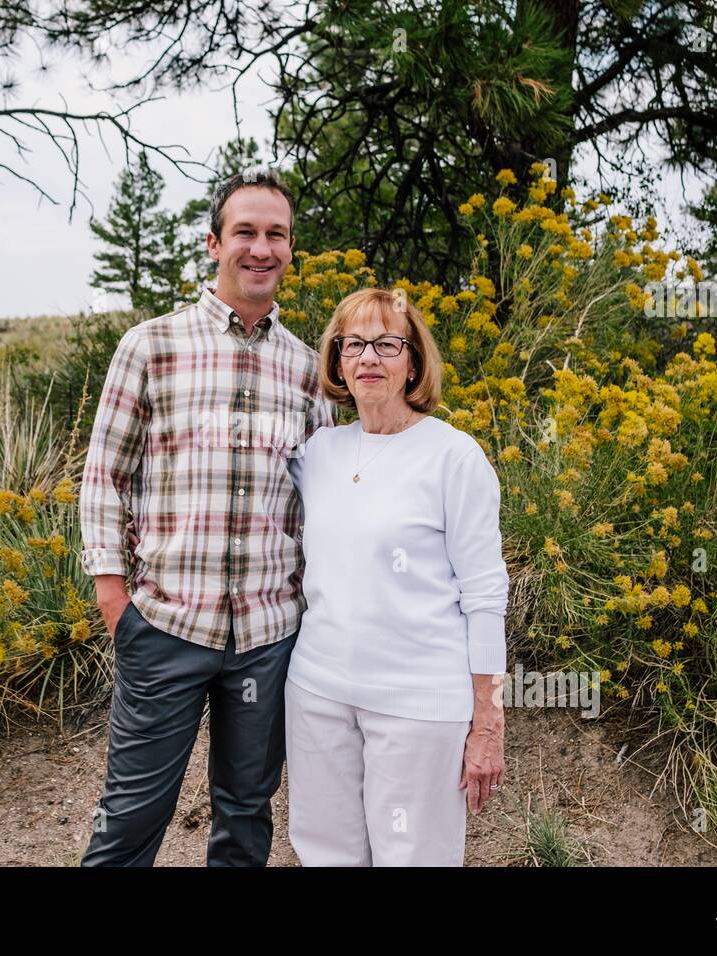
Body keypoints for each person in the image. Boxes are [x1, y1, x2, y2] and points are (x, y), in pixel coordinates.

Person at [78, 167, 335, 866]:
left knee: (246, 815)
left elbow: (321, 506)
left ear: (290, 248)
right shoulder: (151, 347)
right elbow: (105, 476)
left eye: (275, 234)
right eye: (245, 232)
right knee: (131, 816)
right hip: (165, 626)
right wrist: (113, 600)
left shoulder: (310, 372)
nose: (261, 248)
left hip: (267, 635)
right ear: (213, 243)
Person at [284, 286, 510, 866]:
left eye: (387, 344)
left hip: (418, 703)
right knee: (325, 854)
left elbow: (484, 594)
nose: (368, 358)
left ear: (413, 361)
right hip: (317, 693)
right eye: (353, 344)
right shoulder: (318, 453)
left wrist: (487, 718)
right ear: (337, 360)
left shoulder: (454, 457)